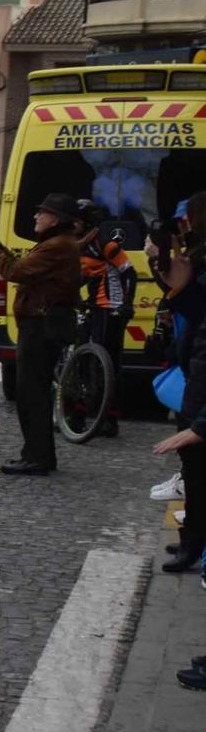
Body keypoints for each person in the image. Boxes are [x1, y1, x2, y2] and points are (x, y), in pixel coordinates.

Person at [0, 191, 86, 475]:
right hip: (41, 322)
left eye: (43, 212)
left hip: (42, 325)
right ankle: (37, 454)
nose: (36, 216)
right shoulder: (55, 244)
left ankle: (37, 458)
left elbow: (15, 271)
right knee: (30, 391)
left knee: (32, 393)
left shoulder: (57, 246)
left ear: (56, 220)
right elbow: (22, 266)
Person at [152, 239, 206, 574]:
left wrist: (201, 426)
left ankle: (194, 545)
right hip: (197, 383)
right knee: (195, 473)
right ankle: (192, 540)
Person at [77, 201, 134, 439]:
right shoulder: (77, 245)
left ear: (87, 222)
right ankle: (77, 415)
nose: (71, 223)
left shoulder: (105, 244)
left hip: (110, 309)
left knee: (107, 365)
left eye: (76, 219)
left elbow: (129, 273)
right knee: (81, 361)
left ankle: (110, 418)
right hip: (91, 307)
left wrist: (126, 305)